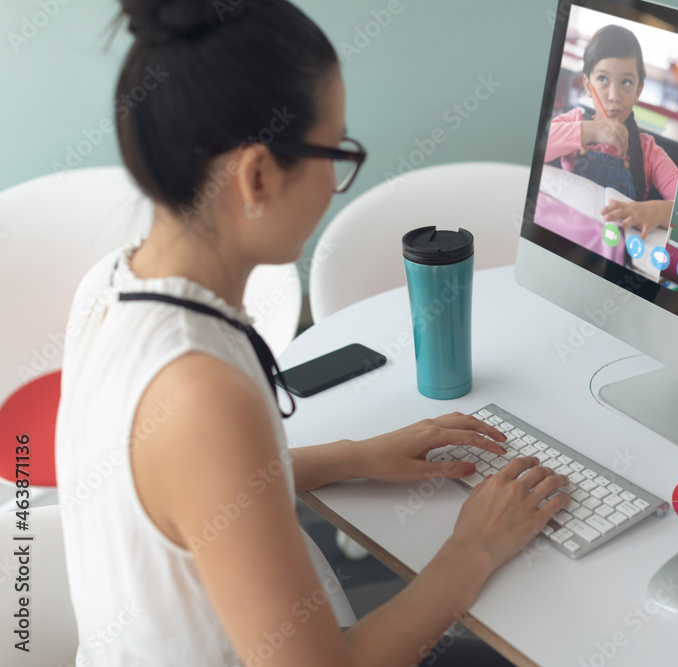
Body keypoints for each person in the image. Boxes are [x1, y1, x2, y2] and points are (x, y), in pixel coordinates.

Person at [54, 1, 569, 665]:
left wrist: (356, 454)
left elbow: (190, 488)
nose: (335, 182)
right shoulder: (201, 391)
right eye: (335, 152)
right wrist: (475, 547)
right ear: (258, 174)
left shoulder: (107, 285)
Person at [544, 24, 678, 239]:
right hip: (567, 236)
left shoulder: (649, 151)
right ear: (588, 86)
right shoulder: (575, 122)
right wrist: (591, 131)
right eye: (603, 80)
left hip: (617, 249)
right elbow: (536, 147)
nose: (614, 95)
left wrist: (657, 211)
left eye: (626, 82)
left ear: (639, 91)